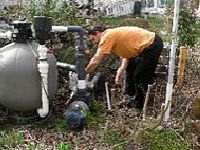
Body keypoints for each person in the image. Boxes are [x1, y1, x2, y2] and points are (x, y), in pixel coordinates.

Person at [86, 26, 163, 109]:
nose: (94, 43)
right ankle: (131, 97)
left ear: (98, 33)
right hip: (144, 47)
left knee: (140, 75)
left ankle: (140, 105)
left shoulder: (107, 36)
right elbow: (127, 55)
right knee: (130, 69)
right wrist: (121, 70)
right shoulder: (113, 35)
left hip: (152, 44)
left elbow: (96, 60)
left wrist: (85, 73)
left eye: (93, 39)